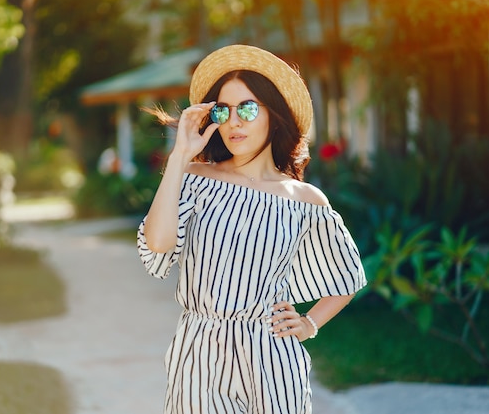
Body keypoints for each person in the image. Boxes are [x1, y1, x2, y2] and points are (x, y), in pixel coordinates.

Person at [137, 44, 367, 414]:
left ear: (274, 116)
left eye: (247, 108)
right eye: (222, 110)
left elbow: (346, 278)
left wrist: (309, 324)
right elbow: (159, 243)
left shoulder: (304, 200)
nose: (233, 122)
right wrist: (180, 156)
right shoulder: (196, 178)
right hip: (199, 353)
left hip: (273, 359)